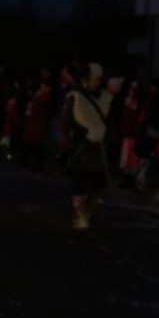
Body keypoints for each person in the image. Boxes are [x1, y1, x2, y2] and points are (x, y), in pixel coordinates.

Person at [61, 63, 113, 230]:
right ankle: (82, 215)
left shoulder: (105, 98)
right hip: (81, 146)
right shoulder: (75, 97)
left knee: (98, 181)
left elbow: (109, 120)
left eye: (97, 80)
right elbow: (66, 121)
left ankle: (89, 212)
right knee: (80, 182)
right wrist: (70, 141)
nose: (95, 83)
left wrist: (108, 137)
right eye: (92, 80)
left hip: (98, 146)